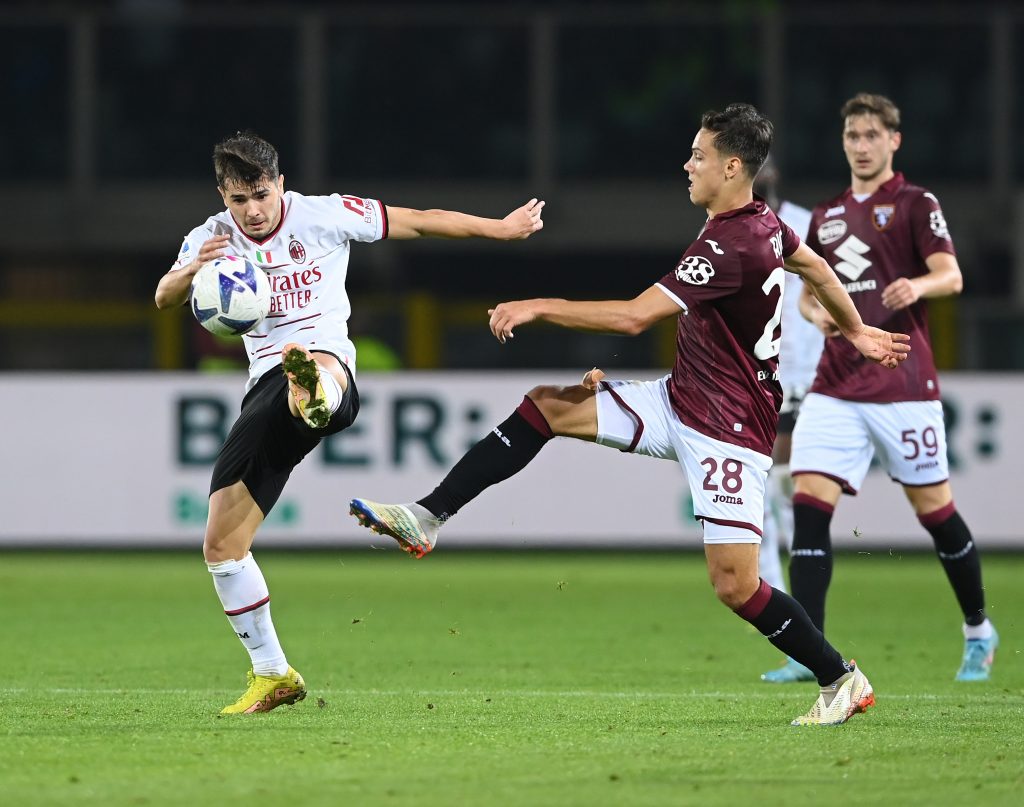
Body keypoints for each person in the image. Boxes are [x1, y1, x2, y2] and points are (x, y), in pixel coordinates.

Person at [350, 103, 911, 726]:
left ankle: (841, 679)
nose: (687, 164)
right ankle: (428, 516)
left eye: (698, 155)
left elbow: (633, 317)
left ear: (730, 166)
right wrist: (857, 331)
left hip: (727, 427)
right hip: (680, 399)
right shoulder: (765, 224)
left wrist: (538, 304)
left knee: (736, 586)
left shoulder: (732, 242)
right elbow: (814, 267)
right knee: (546, 407)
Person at [154, 131, 545, 714]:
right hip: (264, 394)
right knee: (222, 544)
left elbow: (417, 221)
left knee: (307, 369)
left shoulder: (324, 216)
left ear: (280, 183)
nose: (253, 211)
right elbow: (163, 296)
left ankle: (314, 394)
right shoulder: (211, 236)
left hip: (327, 361)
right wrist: (192, 272)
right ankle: (273, 674)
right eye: (239, 200)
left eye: (261, 194)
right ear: (223, 194)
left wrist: (501, 227)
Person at [767, 92, 998, 684]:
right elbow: (806, 292)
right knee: (809, 508)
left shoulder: (917, 204)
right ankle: (810, 651)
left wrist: (917, 287)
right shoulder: (827, 215)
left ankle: (978, 628)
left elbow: (952, 274)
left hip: (903, 385)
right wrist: (820, 316)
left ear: (894, 140)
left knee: (936, 513)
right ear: (843, 143)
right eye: (853, 136)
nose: (862, 146)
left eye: (872, 135)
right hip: (836, 386)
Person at [752, 159, 824, 683]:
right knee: (762, 499)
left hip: (809, 378)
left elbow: (828, 289)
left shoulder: (805, 223)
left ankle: (807, 636)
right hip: (761, 377)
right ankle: (797, 640)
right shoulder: (726, 228)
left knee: (791, 494)